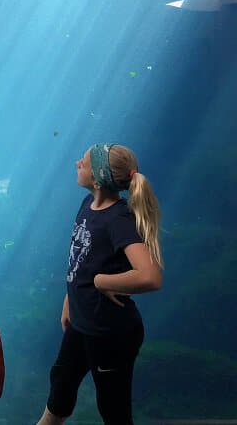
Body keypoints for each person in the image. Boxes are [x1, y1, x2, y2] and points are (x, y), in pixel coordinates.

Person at [37, 143, 163, 425]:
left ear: (97, 178)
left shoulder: (118, 219)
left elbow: (150, 276)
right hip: (83, 323)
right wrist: (70, 300)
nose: (76, 164)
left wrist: (102, 281)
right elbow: (82, 260)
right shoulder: (88, 205)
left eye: (82, 162)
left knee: (112, 407)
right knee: (61, 383)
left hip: (110, 333)